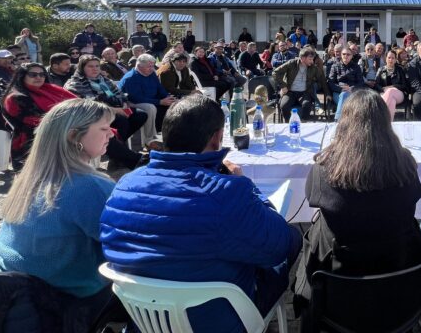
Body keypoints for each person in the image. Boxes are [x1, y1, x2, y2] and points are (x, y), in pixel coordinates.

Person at [101, 95, 302, 333]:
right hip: (218, 319)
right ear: (217, 138)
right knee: (293, 236)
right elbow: (279, 246)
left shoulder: (124, 184)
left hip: (145, 318)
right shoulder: (226, 191)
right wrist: (251, 191)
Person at [293, 89, 421, 320]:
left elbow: (312, 198)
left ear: (344, 123)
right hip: (398, 281)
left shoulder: (324, 169)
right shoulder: (405, 164)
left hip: (338, 285)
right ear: (386, 122)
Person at [0, 99, 124, 329]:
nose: (111, 134)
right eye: (104, 129)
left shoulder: (31, 177)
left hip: (12, 297)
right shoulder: (88, 186)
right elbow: (126, 245)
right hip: (67, 302)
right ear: (74, 136)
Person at [65, 55, 145, 169]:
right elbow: (87, 105)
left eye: (97, 66)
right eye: (90, 66)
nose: (95, 69)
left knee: (140, 115)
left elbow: (120, 94)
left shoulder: (104, 80)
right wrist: (113, 110)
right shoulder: (75, 83)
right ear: (82, 68)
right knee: (121, 121)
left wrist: (124, 103)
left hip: (115, 109)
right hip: (92, 115)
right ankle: (120, 155)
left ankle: (118, 152)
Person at [2, 63, 75, 168]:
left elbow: (75, 104)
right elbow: (36, 121)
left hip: (58, 134)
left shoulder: (50, 90)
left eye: (42, 74)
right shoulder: (16, 97)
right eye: (33, 74)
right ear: (22, 76)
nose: (38, 77)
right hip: (33, 142)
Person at [119, 54, 177, 139]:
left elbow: (160, 89)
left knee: (174, 104)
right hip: (131, 103)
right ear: (139, 66)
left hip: (150, 99)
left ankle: (168, 133)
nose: (152, 69)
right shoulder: (131, 78)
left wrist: (169, 98)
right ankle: (150, 138)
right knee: (150, 107)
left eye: (152, 66)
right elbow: (136, 98)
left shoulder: (151, 74)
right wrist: (160, 102)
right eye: (149, 67)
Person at [273, 46, 330, 122]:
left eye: (312, 59)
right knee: (284, 106)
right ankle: (288, 122)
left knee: (306, 104)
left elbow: (322, 80)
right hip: (290, 92)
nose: (312, 61)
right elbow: (275, 73)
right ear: (302, 58)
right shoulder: (292, 63)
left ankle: (304, 122)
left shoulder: (313, 68)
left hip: (304, 92)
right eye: (310, 59)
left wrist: (328, 94)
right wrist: (283, 86)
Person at [328, 47, 365, 120]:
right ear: (341, 55)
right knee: (344, 95)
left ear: (351, 56)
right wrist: (341, 89)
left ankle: (338, 120)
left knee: (346, 96)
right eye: (344, 54)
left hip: (353, 92)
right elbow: (330, 82)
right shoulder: (335, 66)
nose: (346, 56)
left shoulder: (356, 67)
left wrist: (351, 88)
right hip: (338, 93)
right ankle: (341, 120)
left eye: (348, 54)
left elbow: (361, 83)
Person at [375, 50, 409, 120]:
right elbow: (376, 85)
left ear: (396, 59)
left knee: (390, 91)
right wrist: (383, 89)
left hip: (399, 94)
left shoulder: (400, 69)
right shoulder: (381, 70)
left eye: (393, 58)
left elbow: (404, 85)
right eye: (389, 57)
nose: (391, 60)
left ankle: (379, 114)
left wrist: (392, 87)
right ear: (386, 58)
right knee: (392, 101)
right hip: (383, 93)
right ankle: (389, 125)